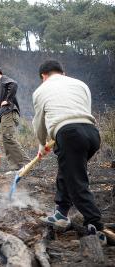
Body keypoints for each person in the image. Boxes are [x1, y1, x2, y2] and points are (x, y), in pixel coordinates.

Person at [33, 60, 105, 243]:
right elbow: (83, 111)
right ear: (63, 72)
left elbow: (39, 122)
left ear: (43, 76)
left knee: (76, 181)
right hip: (92, 134)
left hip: (70, 134)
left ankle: (95, 226)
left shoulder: (41, 91)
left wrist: (42, 145)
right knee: (67, 172)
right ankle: (61, 214)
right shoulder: (81, 84)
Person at [0, 66, 29, 170]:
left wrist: (8, 100)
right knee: (6, 139)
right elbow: (4, 98)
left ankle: (26, 163)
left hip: (9, 113)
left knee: (9, 137)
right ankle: (15, 166)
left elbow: (14, 84)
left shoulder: (3, 79)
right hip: (5, 113)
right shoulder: (1, 83)